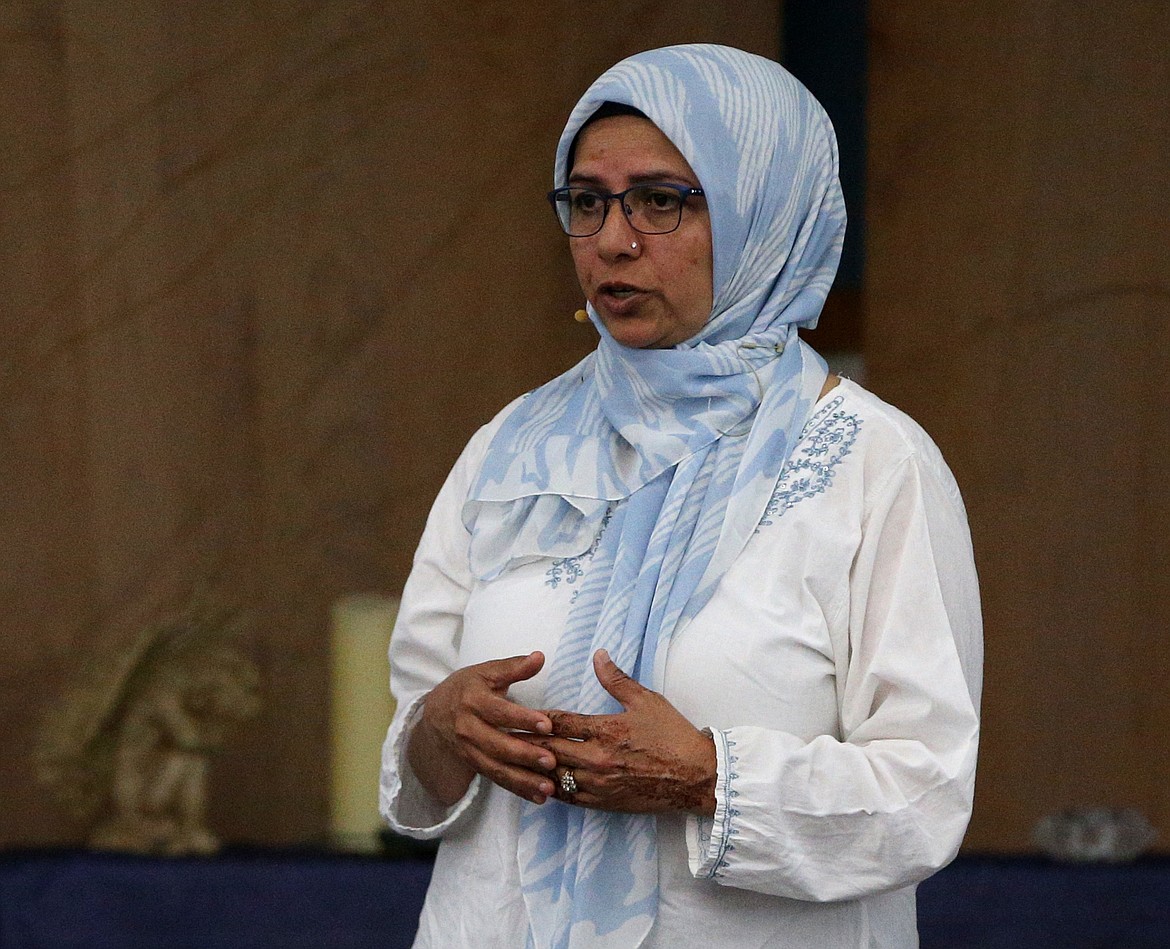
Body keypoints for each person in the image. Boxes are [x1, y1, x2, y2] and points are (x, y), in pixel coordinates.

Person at [380, 43, 981, 949]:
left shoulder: (873, 462)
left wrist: (708, 775)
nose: (614, 241)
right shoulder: (511, 446)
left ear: (763, 215)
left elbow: (925, 792)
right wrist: (445, 724)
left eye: (661, 201)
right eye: (588, 202)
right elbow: (412, 760)